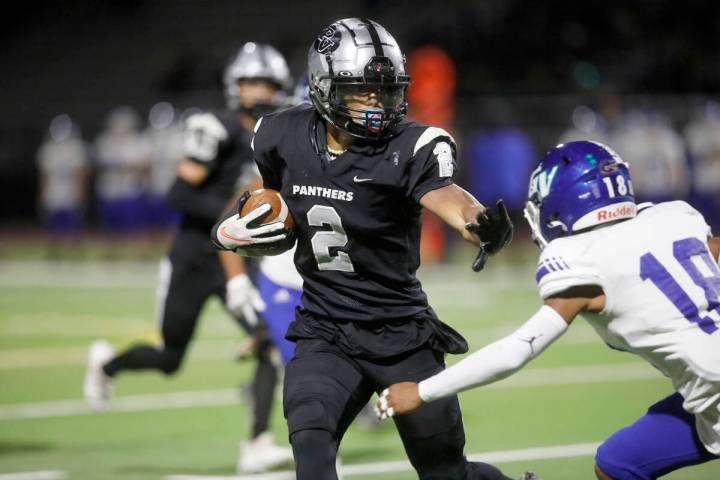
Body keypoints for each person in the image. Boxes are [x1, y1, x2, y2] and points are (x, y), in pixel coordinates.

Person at [212, 18, 520, 480]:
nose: (377, 102)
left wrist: (479, 225)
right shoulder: (282, 135)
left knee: (447, 474)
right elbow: (267, 199)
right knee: (312, 455)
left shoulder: (410, 145)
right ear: (324, 86)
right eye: (362, 90)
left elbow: (448, 197)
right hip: (324, 330)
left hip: (401, 334)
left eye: (385, 89)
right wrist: (244, 225)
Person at [376, 141, 720, 480]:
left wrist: (422, 391)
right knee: (617, 463)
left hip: (712, 386)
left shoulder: (582, 257)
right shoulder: (673, 218)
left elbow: (518, 349)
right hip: (706, 391)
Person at [84, 42, 294, 473]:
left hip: (236, 257)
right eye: (250, 82)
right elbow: (177, 193)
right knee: (170, 359)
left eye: (267, 84)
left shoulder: (274, 134)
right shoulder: (215, 127)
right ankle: (107, 363)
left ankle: (257, 442)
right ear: (234, 86)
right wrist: (233, 215)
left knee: (269, 343)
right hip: (194, 259)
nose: (258, 91)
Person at [36, 113, 91, 259]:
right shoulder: (48, 149)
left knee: (74, 227)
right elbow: (45, 176)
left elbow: (81, 173)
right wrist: (43, 194)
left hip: (70, 192)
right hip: (54, 192)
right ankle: (55, 255)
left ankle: (75, 255)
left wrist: (80, 192)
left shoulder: (77, 148)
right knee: (53, 227)